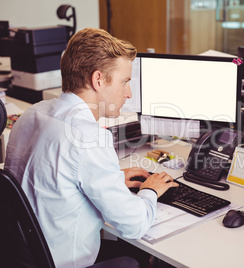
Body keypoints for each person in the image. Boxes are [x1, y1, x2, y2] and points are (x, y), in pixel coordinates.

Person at [4, 27, 178, 268]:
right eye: (125, 81)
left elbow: (51, 181)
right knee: (138, 256)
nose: (128, 93)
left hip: (27, 256)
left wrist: (113, 178)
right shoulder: (88, 137)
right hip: (62, 261)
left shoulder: (32, 114)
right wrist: (150, 190)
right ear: (98, 80)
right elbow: (134, 224)